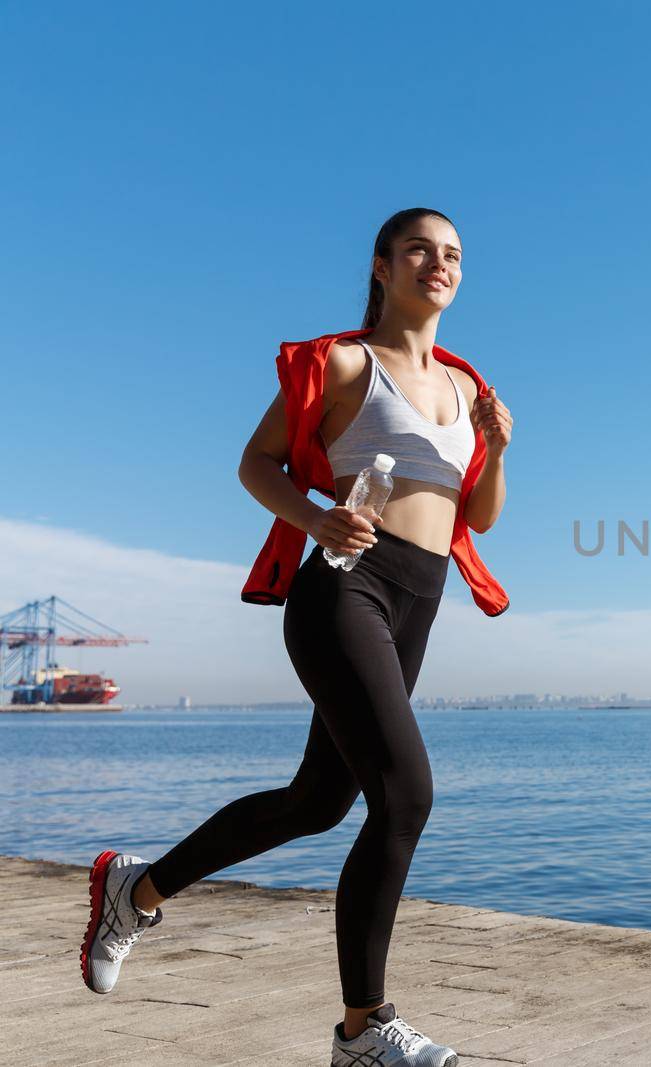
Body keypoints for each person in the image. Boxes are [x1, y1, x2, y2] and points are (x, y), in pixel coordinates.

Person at [79, 208, 513, 1067]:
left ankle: (138, 888)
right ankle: (362, 1029)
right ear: (382, 267)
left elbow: (479, 518)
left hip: (419, 600)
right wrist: (319, 518)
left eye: (454, 253)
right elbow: (255, 461)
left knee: (321, 800)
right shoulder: (348, 363)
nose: (441, 263)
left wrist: (495, 452)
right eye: (421, 248)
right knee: (406, 794)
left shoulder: (467, 389)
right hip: (342, 592)